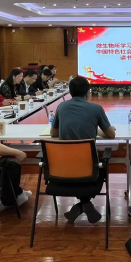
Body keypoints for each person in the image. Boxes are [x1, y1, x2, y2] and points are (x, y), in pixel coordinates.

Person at [50, 76, 116, 224]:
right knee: (100, 163)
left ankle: (83, 205)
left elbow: (53, 133)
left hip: (62, 168)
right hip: (89, 169)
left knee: (78, 165)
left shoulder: (62, 107)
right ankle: (85, 203)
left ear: (70, 92)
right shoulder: (96, 108)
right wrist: (96, 130)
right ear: (88, 92)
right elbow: (111, 134)